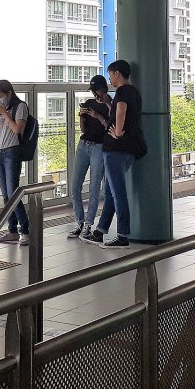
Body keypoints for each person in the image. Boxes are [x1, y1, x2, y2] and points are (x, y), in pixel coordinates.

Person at [84, 60, 142, 248]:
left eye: (110, 74)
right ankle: (100, 231)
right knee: (110, 192)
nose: (110, 78)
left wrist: (117, 132)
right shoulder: (134, 92)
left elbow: (122, 110)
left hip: (116, 150)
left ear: (117, 73)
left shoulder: (123, 91)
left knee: (118, 193)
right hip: (127, 149)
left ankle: (123, 235)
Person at [0, 79, 30, 245]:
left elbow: (18, 129)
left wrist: (4, 113)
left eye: (1, 96)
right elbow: (4, 131)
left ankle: (25, 230)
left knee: (13, 193)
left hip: (13, 152)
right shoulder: (5, 110)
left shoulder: (20, 107)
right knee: (5, 195)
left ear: (9, 93)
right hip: (1, 152)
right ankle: (12, 230)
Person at [68, 75, 112, 239]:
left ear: (103, 89)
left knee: (94, 188)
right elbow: (83, 130)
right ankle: (79, 221)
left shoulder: (111, 105)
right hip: (84, 145)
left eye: (97, 90)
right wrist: (82, 116)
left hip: (99, 148)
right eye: (93, 91)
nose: (95, 94)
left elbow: (111, 127)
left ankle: (88, 224)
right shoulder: (88, 103)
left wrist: (98, 116)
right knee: (75, 186)